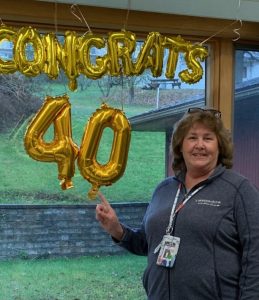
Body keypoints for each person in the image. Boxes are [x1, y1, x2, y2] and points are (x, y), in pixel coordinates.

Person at [96, 107, 259, 300]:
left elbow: (255, 256)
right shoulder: (163, 190)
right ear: (180, 146)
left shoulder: (239, 190)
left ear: (219, 146)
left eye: (208, 138)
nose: (200, 145)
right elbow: (148, 244)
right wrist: (116, 229)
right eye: (192, 138)